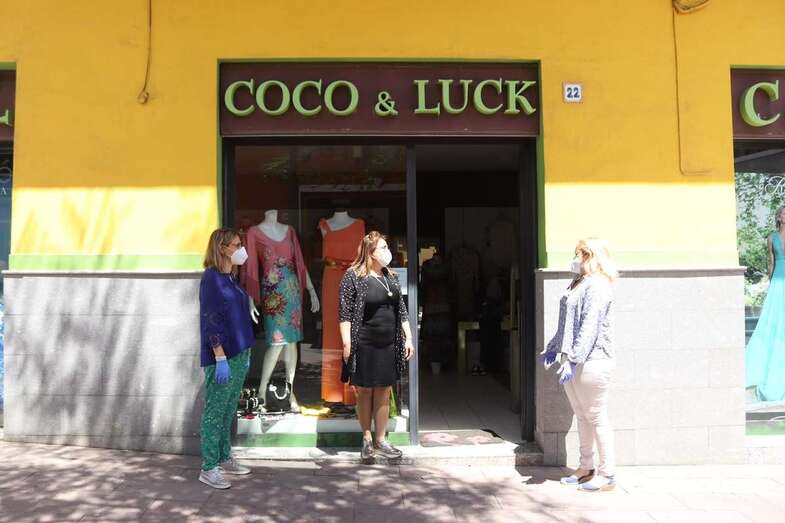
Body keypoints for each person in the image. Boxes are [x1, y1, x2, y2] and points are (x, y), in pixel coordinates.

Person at [542, 238, 618, 492]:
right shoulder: (579, 282)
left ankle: (608, 474)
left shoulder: (597, 285)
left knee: (596, 416)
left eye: (579, 254)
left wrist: (574, 359)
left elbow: (589, 326)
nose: (575, 259)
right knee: (582, 414)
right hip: (572, 358)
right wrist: (554, 347)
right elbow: (566, 320)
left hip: (592, 360)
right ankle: (586, 467)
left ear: (590, 256)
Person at [339, 231, 415, 460]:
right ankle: (367, 439)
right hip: (364, 342)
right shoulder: (353, 276)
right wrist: (347, 343)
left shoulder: (390, 276)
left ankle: (381, 439)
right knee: (364, 391)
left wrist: (408, 337)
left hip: (389, 344)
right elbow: (345, 313)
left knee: (384, 389)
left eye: (386, 247)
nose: (387, 252)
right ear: (370, 253)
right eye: (382, 248)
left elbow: (401, 309)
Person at [198, 228, 257, 489]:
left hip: (239, 353)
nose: (241, 249)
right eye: (236, 245)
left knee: (228, 409)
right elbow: (210, 320)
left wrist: (246, 352)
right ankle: (209, 467)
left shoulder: (230, 277)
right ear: (222, 249)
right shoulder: (211, 279)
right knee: (215, 412)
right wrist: (219, 357)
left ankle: (224, 456)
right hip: (222, 357)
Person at [746, 205, 785, 401]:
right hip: (778, 281)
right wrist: (771, 284)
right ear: (779, 217)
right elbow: (771, 263)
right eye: (784, 213)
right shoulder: (771, 238)